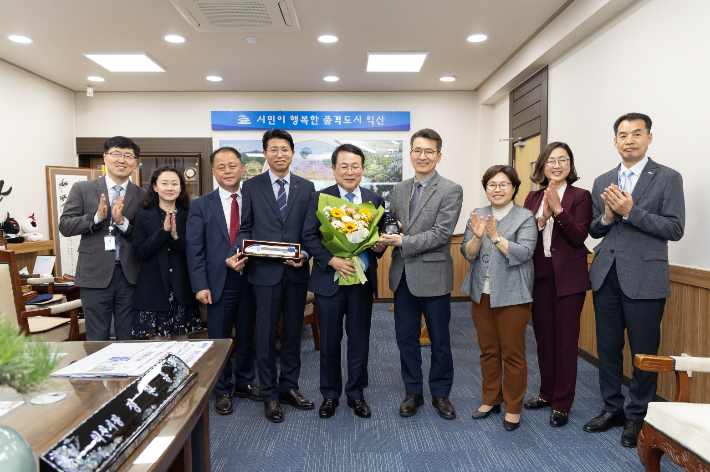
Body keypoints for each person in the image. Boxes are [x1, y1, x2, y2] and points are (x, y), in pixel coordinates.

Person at [585, 113, 685, 448]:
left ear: (649, 138)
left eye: (636, 134)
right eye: (623, 135)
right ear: (615, 141)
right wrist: (607, 216)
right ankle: (612, 408)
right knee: (608, 348)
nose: (629, 140)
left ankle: (637, 415)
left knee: (644, 352)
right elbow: (593, 229)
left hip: (645, 276)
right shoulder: (602, 180)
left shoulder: (668, 178)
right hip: (606, 275)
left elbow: (674, 228)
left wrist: (631, 212)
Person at [232, 129, 316, 423]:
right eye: (273, 149)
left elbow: (310, 233)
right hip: (263, 273)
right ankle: (269, 394)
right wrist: (238, 250)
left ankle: (289, 388)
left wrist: (304, 253)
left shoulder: (306, 188)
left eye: (285, 149)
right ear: (265, 153)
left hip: (295, 274)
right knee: (266, 337)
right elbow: (246, 227)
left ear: (292, 153)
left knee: (292, 336)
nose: (279, 154)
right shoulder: (252, 186)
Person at [380, 128, 463, 420]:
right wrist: (384, 236)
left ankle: (441, 394)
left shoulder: (451, 189)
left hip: (434, 275)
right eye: (417, 150)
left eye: (429, 151)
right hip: (402, 275)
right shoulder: (399, 189)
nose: (422, 156)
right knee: (406, 338)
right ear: (411, 154)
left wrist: (403, 242)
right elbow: (394, 225)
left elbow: (442, 234)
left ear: (438, 156)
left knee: (440, 340)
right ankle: (412, 392)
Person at [301, 143, 386, 419]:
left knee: (359, 339)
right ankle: (330, 394)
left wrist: (378, 247)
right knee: (330, 340)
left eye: (355, 166)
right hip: (329, 281)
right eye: (344, 166)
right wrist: (332, 260)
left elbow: (380, 239)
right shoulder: (320, 198)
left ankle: (356, 393)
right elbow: (310, 237)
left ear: (363, 169)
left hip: (361, 282)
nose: (350, 172)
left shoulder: (374, 199)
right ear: (334, 169)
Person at [460, 165, 536, 431]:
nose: (498, 189)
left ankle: (513, 407)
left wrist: (496, 236)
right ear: (486, 189)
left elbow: (525, 252)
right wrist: (479, 238)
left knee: (513, 353)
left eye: (504, 184)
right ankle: (491, 398)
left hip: (513, 294)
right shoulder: (478, 214)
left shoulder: (525, 216)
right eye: (492, 184)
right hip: (482, 293)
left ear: (514, 188)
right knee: (488, 350)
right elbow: (467, 253)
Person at [522, 143, 592, 427]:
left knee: (565, 341)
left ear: (570, 165)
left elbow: (579, 236)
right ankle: (546, 392)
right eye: (551, 160)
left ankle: (562, 402)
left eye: (563, 159)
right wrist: (543, 217)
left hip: (569, 276)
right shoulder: (532, 196)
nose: (557, 164)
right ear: (542, 166)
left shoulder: (581, 196)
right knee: (543, 337)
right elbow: (526, 234)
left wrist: (559, 211)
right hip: (539, 273)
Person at [186, 147, 258, 416]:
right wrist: (200, 284)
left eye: (233, 165)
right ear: (214, 172)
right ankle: (222, 390)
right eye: (222, 167)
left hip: (251, 279)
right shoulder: (200, 205)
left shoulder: (253, 200)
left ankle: (246, 381)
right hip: (217, 281)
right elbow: (195, 250)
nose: (228, 171)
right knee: (219, 338)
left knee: (248, 334)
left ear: (242, 169)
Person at [59, 136, 146, 341]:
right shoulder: (83, 188)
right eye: (116, 154)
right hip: (94, 273)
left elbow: (145, 236)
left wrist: (122, 223)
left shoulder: (143, 195)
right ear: (105, 158)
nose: (122, 160)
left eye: (128, 156)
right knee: (97, 337)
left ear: (135, 162)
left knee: (129, 337)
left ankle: (128, 374)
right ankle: (99, 374)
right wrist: (96, 217)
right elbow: (65, 226)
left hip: (130, 274)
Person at [132, 166, 201, 340]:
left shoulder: (190, 215)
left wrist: (176, 237)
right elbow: (140, 252)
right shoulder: (142, 216)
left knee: (182, 344)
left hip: (182, 289)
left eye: (174, 184)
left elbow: (195, 254)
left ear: (181, 188)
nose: (169, 188)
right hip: (152, 290)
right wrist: (162, 232)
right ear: (155, 187)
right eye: (164, 183)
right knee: (157, 345)